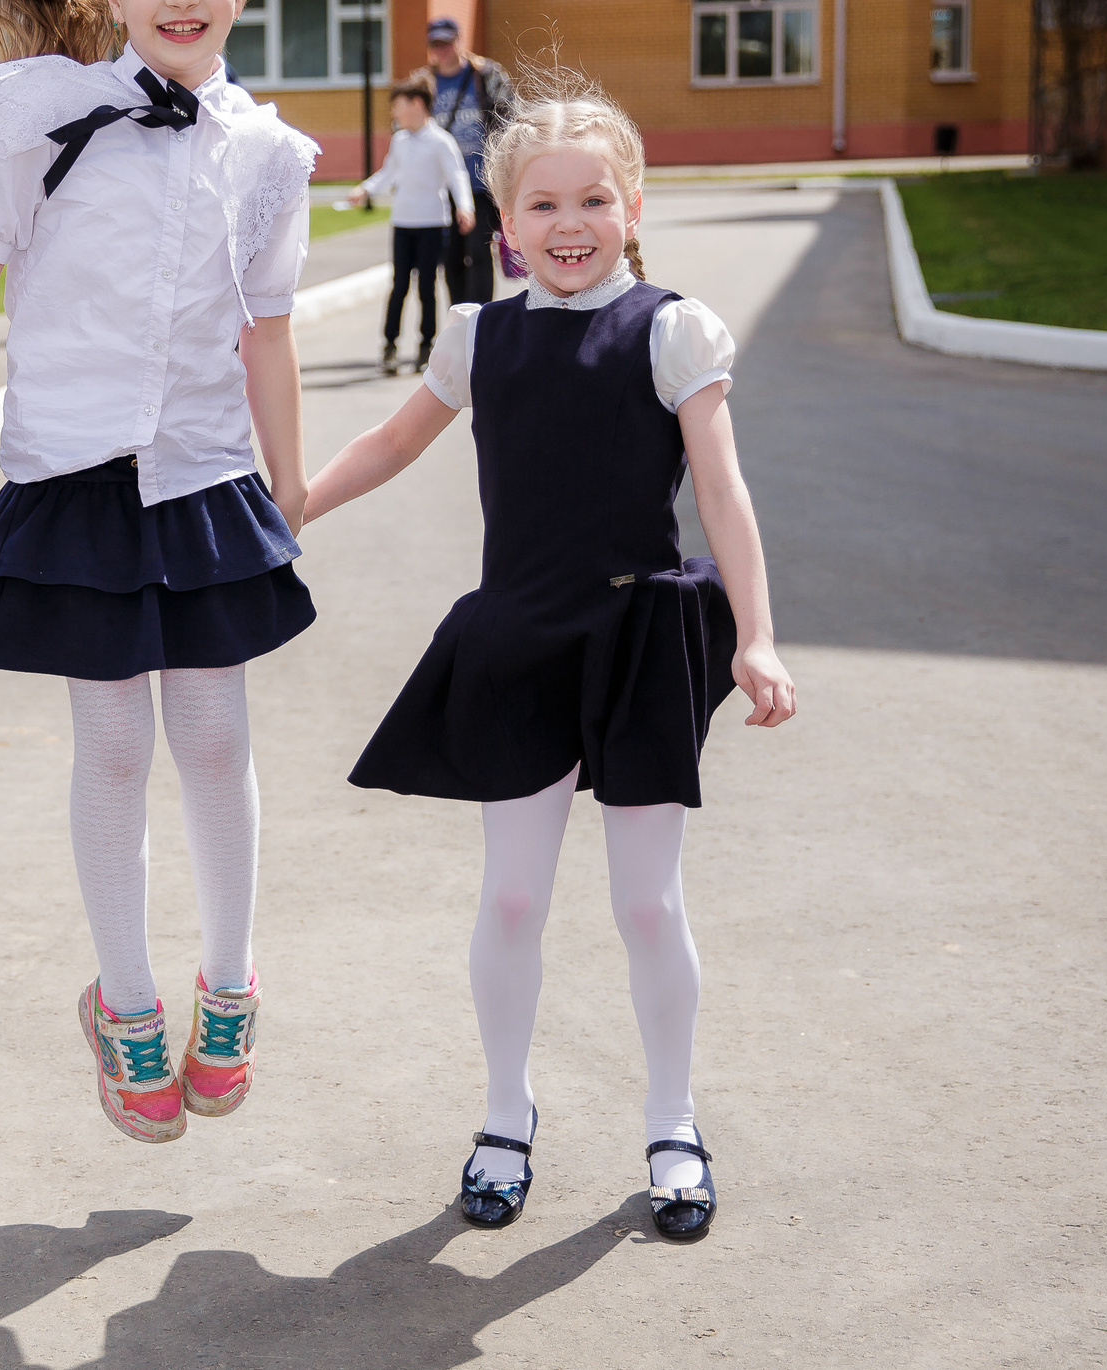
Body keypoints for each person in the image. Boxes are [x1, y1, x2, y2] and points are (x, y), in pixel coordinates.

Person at [303, 66, 796, 1236]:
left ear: (631, 205)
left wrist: (759, 638)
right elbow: (389, 439)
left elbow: (722, 492)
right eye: (542, 205)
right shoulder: (478, 335)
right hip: (520, 633)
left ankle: (672, 1119)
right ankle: (503, 1114)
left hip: (638, 640)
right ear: (504, 219)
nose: (566, 225)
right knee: (514, 895)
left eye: (591, 200)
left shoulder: (672, 328)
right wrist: (293, 508)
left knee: (645, 906)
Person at [0, 0, 319, 1146]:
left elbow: (268, 330)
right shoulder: (42, 117)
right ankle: (125, 1002)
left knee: (215, 735)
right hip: (77, 466)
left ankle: (229, 986)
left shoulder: (267, 150)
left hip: (199, 469)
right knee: (116, 747)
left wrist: (289, 481)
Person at [351, 72, 475, 375]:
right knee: (399, 286)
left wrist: (465, 207)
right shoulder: (400, 140)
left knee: (427, 287)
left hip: (432, 224)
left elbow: (457, 176)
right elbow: (388, 173)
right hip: (403, 223)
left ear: (417, 104)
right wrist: (365, 189)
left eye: (399, 105)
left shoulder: (440, 142)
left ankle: (426, 345)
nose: (394, 112)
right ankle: (390, 345)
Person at [425, 16, 517, 307]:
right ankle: (459, 320)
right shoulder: (424, 82)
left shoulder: (486, 74)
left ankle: (481, 319)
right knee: (450, 257)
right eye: (435, 44)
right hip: (442, 186)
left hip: (480, 182)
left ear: (458, 42)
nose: (442, 50)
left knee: (478, 252)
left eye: (446, 43)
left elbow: (510, 119)